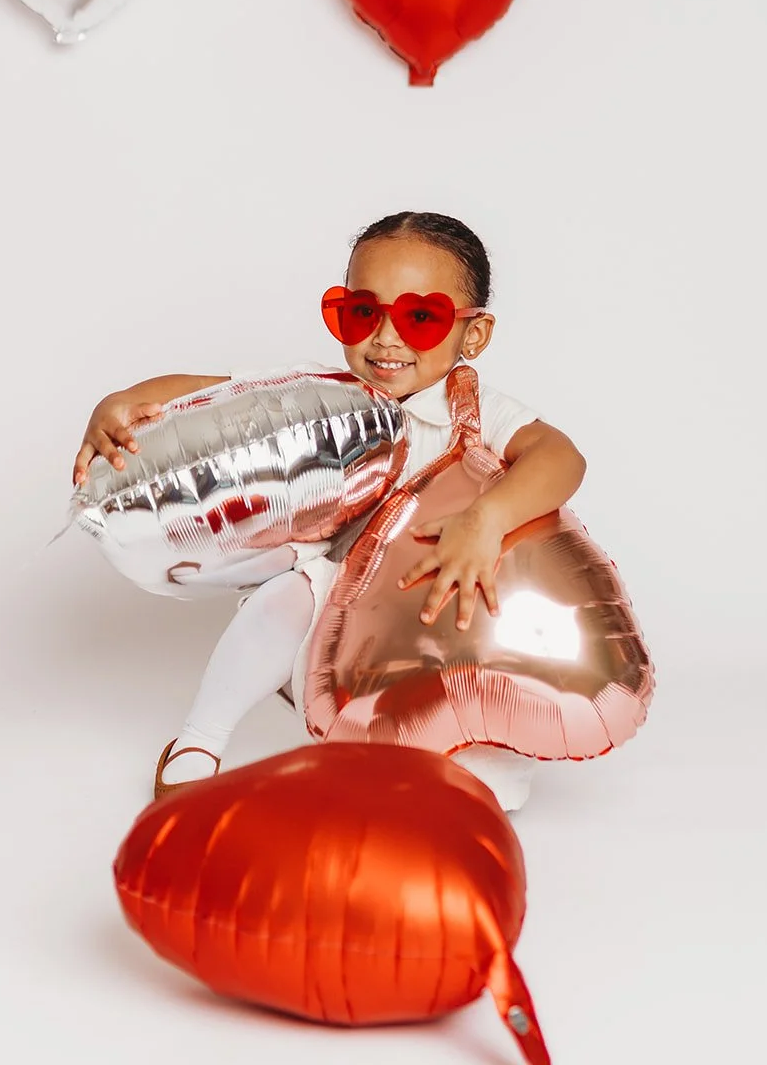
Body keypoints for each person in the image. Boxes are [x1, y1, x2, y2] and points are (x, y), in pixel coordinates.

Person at [72, 212, 586, 810]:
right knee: (285, 599)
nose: (385, 339)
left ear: (472, 335)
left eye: (420, 318)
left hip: (435, 599)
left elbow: (561, 457)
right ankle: (200, 737)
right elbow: (212, 392)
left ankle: (449, 760)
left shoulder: (476, 410)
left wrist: (485, 520)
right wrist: (121, 402)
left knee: (470, 766)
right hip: (341, 588)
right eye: (362, 313)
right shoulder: (327, 394)